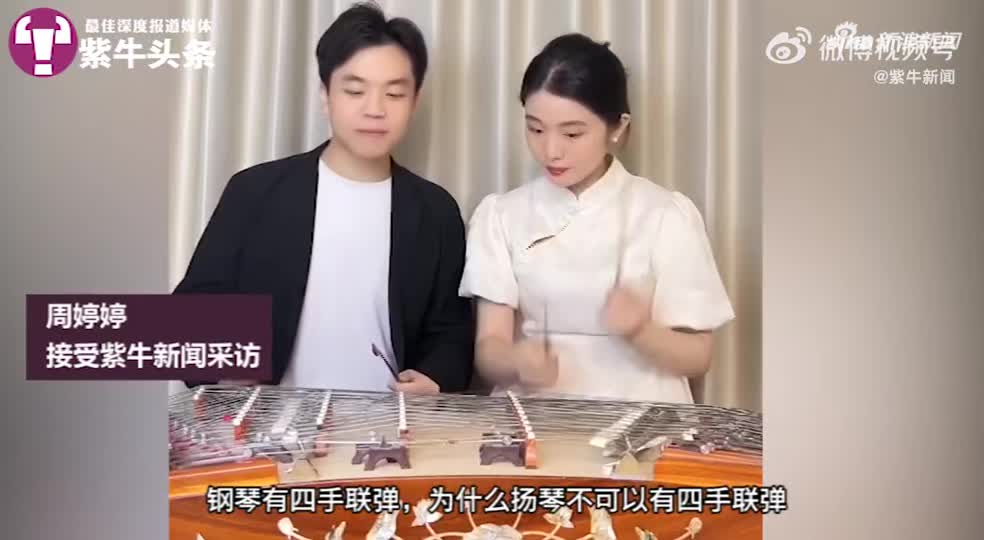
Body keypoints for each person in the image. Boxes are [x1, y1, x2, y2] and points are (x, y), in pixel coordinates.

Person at [174, 3, 474, 394]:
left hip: (386, 426)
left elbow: (452, 332)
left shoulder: (435, 211)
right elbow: (192, 311)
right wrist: (225, 372)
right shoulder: (255, 191)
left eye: (394, 93)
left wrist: (434, 379)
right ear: (325, 95)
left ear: (414, 102)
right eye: (355, 91)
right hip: (268, 422)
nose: (374, 109)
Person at [458, 33, 734, 403]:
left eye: (572, 133)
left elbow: (699, 357)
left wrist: (640, 330)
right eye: (535, 128)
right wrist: (517, 361)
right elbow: (490, 347)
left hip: (646, 419)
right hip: (536, 417)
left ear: (617, 127)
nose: (551, 150)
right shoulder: (501, 214)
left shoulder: (666, 214)